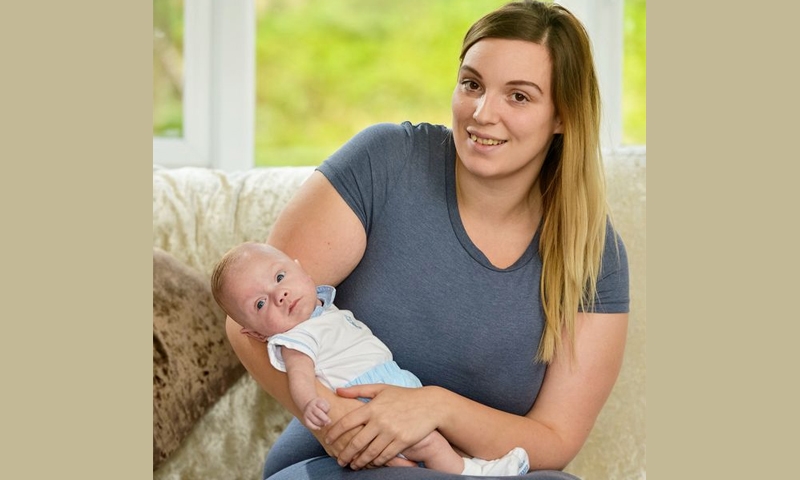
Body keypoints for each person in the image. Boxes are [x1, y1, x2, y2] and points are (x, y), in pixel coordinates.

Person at [226, 1, 630, 479]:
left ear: (562, 116)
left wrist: (435, 407)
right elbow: (251, 321)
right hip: (345, 462)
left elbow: (554, 439)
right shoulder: (385, 163)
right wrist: (338, 423)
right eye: (472, 84)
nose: (482, 113)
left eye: (518, 96)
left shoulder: (594, 254)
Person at [211, 241, 530, 476]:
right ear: (257, 335)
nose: (278, 295)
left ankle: (471, 465)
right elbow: (299, 375)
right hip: (367, 405)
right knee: (429, 445)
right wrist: (311, 404)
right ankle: (475, 474)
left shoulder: (323, 309)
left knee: (437, 439)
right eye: (260, 305)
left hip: (395, 387)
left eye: (280, 277)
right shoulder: (294, 339)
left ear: (301, 269)